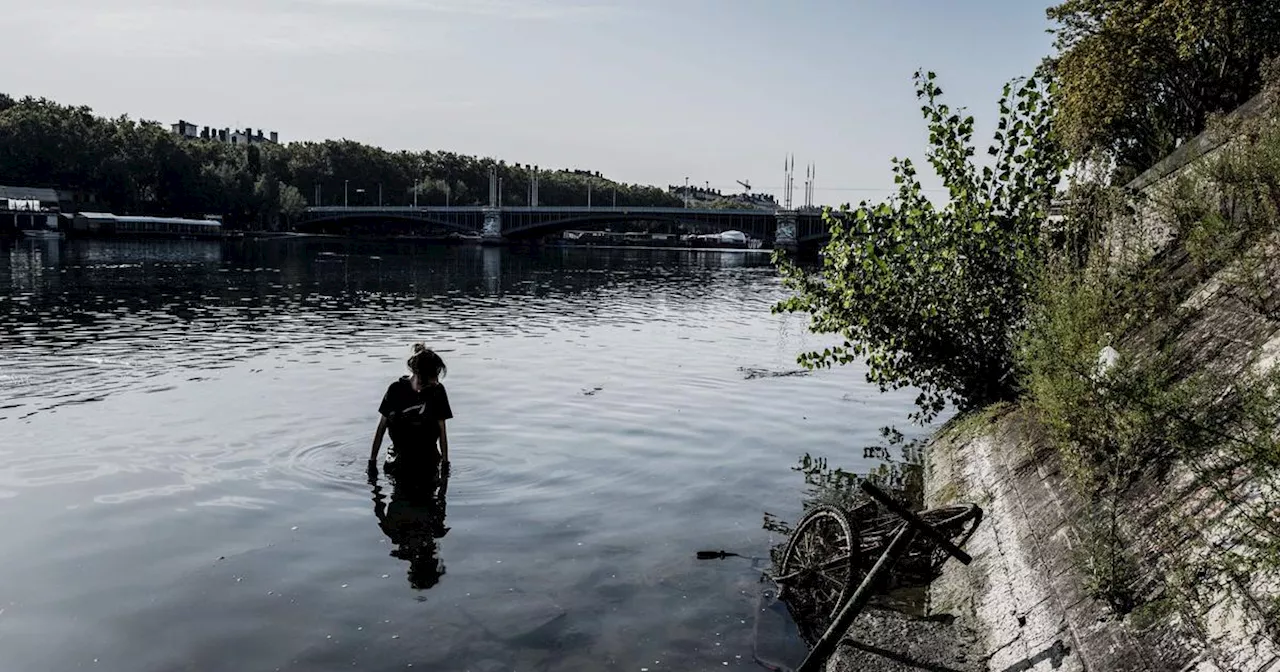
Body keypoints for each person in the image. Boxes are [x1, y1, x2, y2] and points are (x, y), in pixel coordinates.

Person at [369, 343, 453, 481]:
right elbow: (381, 428)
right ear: (420, 374)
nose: (436, 381)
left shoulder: (438, 391)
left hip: (428, 458)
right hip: (399, 458)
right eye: (434, 375)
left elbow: (442, 431)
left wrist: (445, 464)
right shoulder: (396, 390)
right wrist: (372, 463)